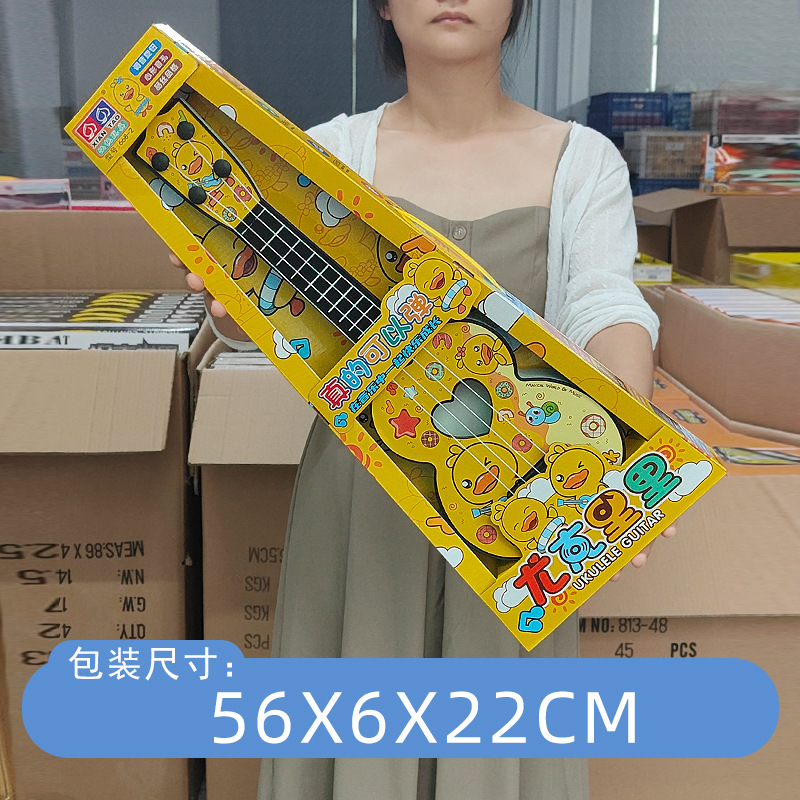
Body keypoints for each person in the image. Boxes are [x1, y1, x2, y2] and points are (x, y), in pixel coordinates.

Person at [173, 2, 673, 797]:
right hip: (359, 497)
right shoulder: (329, 151)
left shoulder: (582, 160)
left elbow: (604, 303)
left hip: (517, 495)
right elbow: (264, 318)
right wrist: (235, 304)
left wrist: (622, 449)